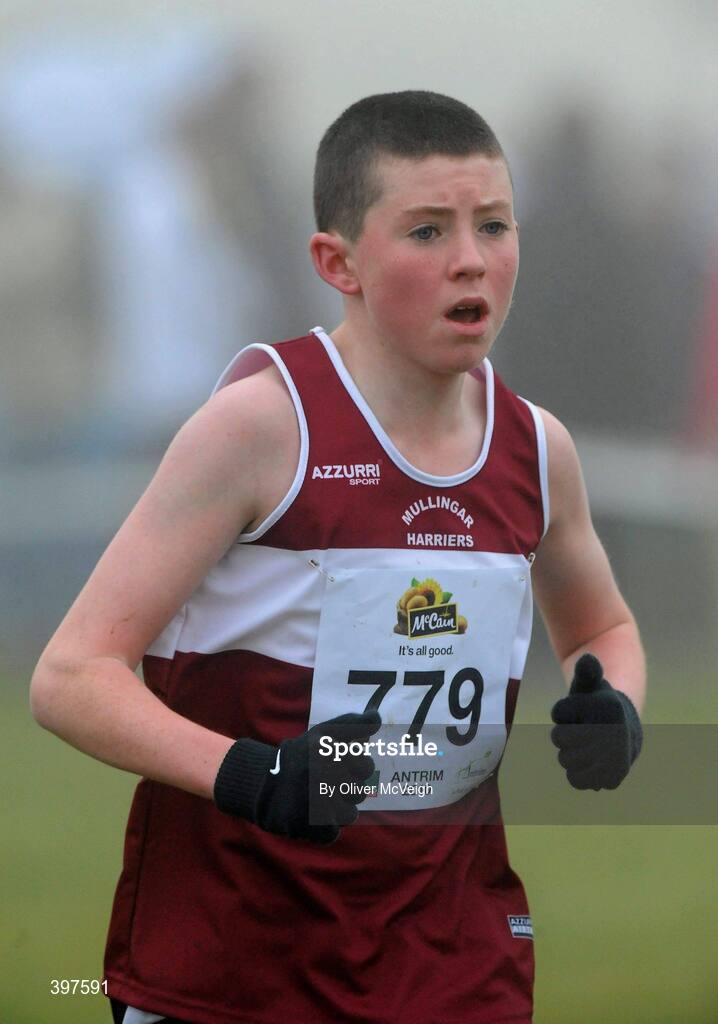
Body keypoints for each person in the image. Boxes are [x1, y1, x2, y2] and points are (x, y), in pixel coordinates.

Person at [30, 91, 646, 1024]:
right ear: (339, 262)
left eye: (493, 225)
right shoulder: (260, 426)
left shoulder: (536, 448)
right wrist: (255, 775)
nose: (472, 259)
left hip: (456, 969)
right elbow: (72, 676)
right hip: (234, 972)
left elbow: (601, 624)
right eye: (428, 231)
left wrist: (618, 709)